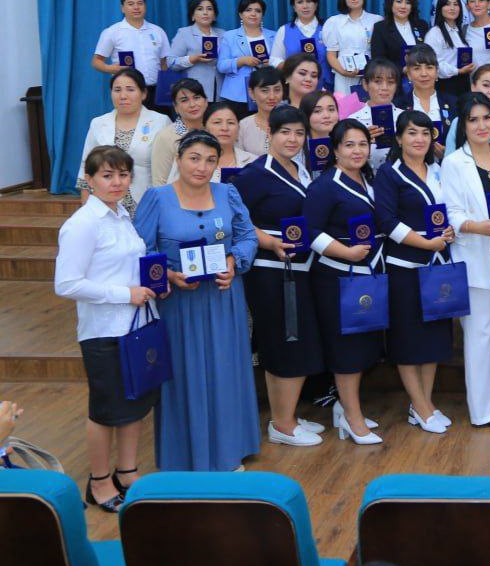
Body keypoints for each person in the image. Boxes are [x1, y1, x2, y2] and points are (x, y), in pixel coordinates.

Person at [134, 130, 259, 470]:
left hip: (223, 298)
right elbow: (141, 249)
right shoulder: (157, 198)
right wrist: (168, 275)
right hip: (179, 304)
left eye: (210, 160)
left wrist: (234, 261)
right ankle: (186, 454)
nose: (201, 167)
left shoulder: (228, 193)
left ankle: (229, 451)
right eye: (194, 158)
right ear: (178, 159)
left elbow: (248, 236)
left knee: (226, 369)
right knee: (184, 373)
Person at [56, 145, 161, 511]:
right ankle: (99, 482)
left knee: (134, 403)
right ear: (89, 179)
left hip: (135, 326)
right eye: (107, 175)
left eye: (123, 174)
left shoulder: (122, 216)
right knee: (106, 409)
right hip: (103, 331)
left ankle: (127, 472)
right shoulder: (82, 224)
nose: (117, 182)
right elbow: (66, 284)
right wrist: (124, 294)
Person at [230, 107, 325, 447]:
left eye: (299, 133)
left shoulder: (301, 169)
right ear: (269, 133)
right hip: (271, 272)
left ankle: (284, 416)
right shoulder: (255, 174)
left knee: (286, 343)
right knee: (286, 343)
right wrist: (269, 242)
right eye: (285, 132)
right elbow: (236, 219)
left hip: (300, 269)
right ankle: (284, 425)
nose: (292, 139)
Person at [373, 111, 457, 435]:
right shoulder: (389, 174)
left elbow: (446, 212)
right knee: (408, 339)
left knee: (434, 337)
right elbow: (386, 221)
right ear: (399, 138)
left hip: (437, 266)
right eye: (411, 133)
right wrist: (425, 242)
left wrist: (448, 231)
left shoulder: (437, 169)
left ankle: (424, 403)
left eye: (425, 133)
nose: (419, 139)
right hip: (405, 268)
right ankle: (420, 406)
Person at [302, 119, 385, 444]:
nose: (357, 151)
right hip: (337, 276)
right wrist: (345, 252)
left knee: (364, 346)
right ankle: (353, 418)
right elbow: (310, 232)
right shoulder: (324, 186)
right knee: (346, 350)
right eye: (349, 145)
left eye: (363, 144)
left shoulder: (369, 179)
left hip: (367, 276)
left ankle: (344, 408)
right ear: (335, 149)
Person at [441, 94, 490, 428]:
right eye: (473, 120)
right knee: (479, 332)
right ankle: (484, 409)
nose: (481, 125)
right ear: (463, 124)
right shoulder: (454, 163)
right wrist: (478, 227)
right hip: (474, 255)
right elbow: (452, 213)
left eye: (486, 118)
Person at [78, 69, 170, 215]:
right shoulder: (98, 123)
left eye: (130, 89)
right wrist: (86, 211)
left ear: (144, 93)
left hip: (148, 204)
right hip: (107, 205)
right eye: (117, 90)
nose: (123, 96)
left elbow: (169, 168)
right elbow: (86, 167)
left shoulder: (161, 122)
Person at [92, 0, 171, 108]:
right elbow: (96, 61)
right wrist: (112, 68)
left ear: (145, 6)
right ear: (122, 8)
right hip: (128, 92)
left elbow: (164, 63)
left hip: (156, 91)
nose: (136, 7)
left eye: (140, 3)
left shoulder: (158, 31)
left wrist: (165, 88)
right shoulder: (112, 32)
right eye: (131, 4)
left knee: (162, 120)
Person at [216, 0, 277, 119]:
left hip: (267, 93)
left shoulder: (273, 35)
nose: (253, 14)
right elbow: (221, 66)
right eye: (248, 10)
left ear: (262, 15)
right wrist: (241, 61)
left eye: (258, 11)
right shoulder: (230, 36)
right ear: (240, 14)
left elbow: (281, 62)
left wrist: (271, 63)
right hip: (237, 95)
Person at [323, 0, 382, 95]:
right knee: (344, 104)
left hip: (370, 74)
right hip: (343, 75)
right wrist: (343, 72)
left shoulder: (376, 20)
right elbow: (331, 54)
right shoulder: (334, 22)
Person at [397, 45, 454, 162]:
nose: (424, 73)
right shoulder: (398, 105)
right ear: (409, 74)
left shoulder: (454, 103)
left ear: (437, 72)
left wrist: (449, 152)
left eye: (429, 67)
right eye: (417, 68)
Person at [151, 78, 209, 187]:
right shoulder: (166, 137)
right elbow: (160, 181)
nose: (192, 104)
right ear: (176, 107)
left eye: (197, 98)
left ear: (206, 101)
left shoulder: (215, 131)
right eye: (184, 100)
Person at [348, 58, 404, 171]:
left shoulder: (405, 118)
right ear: (365, 84)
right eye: (378, 82)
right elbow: (346, 162)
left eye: (390, 82)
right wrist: (363, 143)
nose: (384, 88)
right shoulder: (352, 121)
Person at [166, 0, 225, 102]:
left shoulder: (223, 34)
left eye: (209, 9)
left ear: (214, 16)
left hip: (221, 93)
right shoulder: (184, 33)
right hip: (194, 93)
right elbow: (171, 62)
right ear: (192, 16)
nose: (205, 12)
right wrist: (192, 59)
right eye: (200, 9)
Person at [271, 0, 331, 90]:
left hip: (325, 88)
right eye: (300, 2)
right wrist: (294, 67)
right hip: (295, 89)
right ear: (294, 7)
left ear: (316, 4)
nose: (305, 6)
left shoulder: (328, 28)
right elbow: (274, 60)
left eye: (309, 1)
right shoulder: (284, 30)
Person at [426, 0, 474, 98]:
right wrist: (458, 71)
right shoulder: (434, 33)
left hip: (463, 82)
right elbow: (434, 63)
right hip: (445, 85)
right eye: (447, 4)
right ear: (440, 8)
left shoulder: (460, 31)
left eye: (456, 4)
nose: (452, 8)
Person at [370, 0, 430, 68]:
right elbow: (378, 61)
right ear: (390, 4)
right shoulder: (380, 28)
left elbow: (429, 54)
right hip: (395, 75)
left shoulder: (422, 25)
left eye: (408, 2)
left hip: (421, 75)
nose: (403, 6)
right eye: (399, 2)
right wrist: (402, 69)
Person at [195, 102, 255, 182]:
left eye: (231, 123)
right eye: (217, 122)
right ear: (205, 128)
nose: (225, 128)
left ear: (238, 128)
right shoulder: (191, 159)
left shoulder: (253, 162)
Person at [236, 67, 285, 158]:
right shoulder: (243, 126)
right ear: (251, 93)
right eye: (265, 91)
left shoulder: (292, 122)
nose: (272, 96)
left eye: (277, 90)